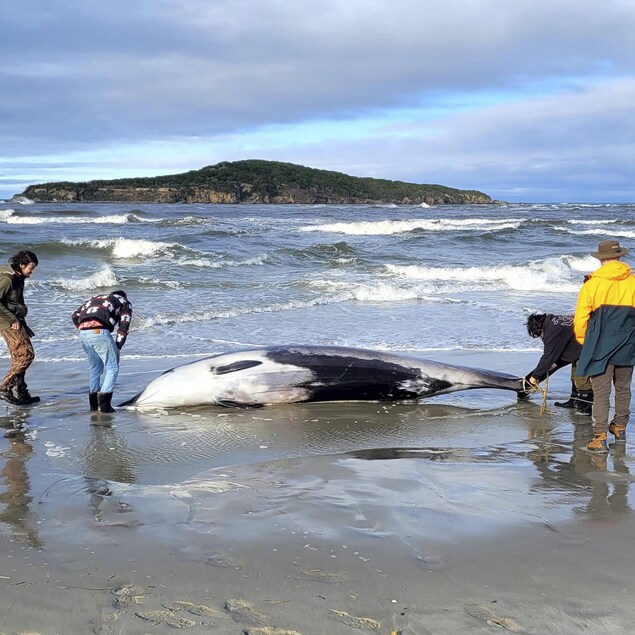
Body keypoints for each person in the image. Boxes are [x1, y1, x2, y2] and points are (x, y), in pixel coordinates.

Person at [574, 240, 635, 453]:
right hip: (628, 343)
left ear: (601, 260)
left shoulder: (592, 284)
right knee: (623, 388)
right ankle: (619, 427)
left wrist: (585, 341)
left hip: (600, 346)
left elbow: (580, 319)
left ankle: (600, 437)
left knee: (601, 392)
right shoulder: (633, 282)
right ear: (619, 258)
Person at [71, 290, 132, 413]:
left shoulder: (96, 298)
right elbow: (123, 327)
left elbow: (75, 315)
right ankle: (104, 406)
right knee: (112, 368)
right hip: (99, 332)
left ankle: (93, 406)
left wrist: (83, 329)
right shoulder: (124, 302)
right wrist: (118, 346)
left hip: (83, 333)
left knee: (95, 368)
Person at [524, 313, 593, 414]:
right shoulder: (554, 320)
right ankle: (574, 401)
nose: (541, 337)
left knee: (581, 380)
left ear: (539, 327)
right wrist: (554, 363)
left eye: (539, 334)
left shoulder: (552, 330)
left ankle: (586, 408)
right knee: (574, 378)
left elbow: (548, 357)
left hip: (588, 345)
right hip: (580, 344)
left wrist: (534, 376)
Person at [0, 250, 39, 406]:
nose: (32, 271)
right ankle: (4, 388)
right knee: (26, 356)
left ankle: (22, 393)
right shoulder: (8, 278)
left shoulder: (18, 276)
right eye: (31, 268)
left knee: (19, 357)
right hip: (7, 321)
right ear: (22, 265)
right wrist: (12, 318)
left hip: (15, 319)